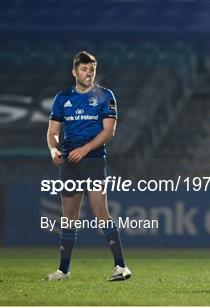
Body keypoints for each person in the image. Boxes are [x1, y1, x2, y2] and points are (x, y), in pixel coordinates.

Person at [46, 51, 131, 281]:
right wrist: (54, 150)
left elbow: (109, 131)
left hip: (93, 161)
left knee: (100, 211)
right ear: (74, 72)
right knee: (69, 216)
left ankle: (121, 266)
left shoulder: (105, 96)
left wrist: (85, 149)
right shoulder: (62, 98)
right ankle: (64, 271)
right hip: (70, 164)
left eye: (92, 69)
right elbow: (53, 133)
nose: (89, 73)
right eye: (84, 69)